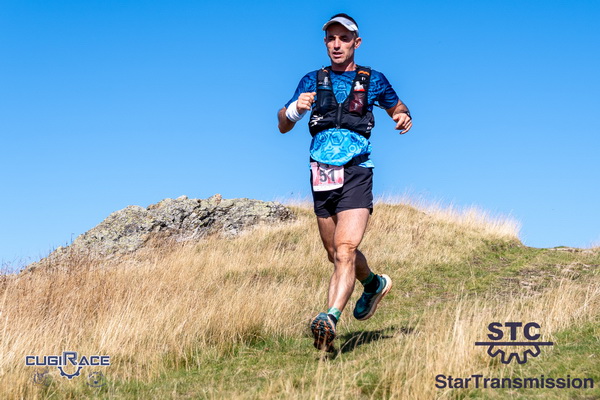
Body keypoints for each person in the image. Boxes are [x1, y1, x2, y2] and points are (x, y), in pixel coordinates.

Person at [277, 13, 413, 351]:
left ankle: (330, 318)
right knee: (333, 253)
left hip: (356, 170)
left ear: (356, 42)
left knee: (345, 249)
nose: (337, 44)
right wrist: (295, 109)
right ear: (325, 43)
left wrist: (402, 116)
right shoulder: (311, 80)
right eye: (331, 38)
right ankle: (374, 284)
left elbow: (398, 107)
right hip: (321, 173)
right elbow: (282, 124)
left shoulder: (373, 79)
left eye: (344, 38)